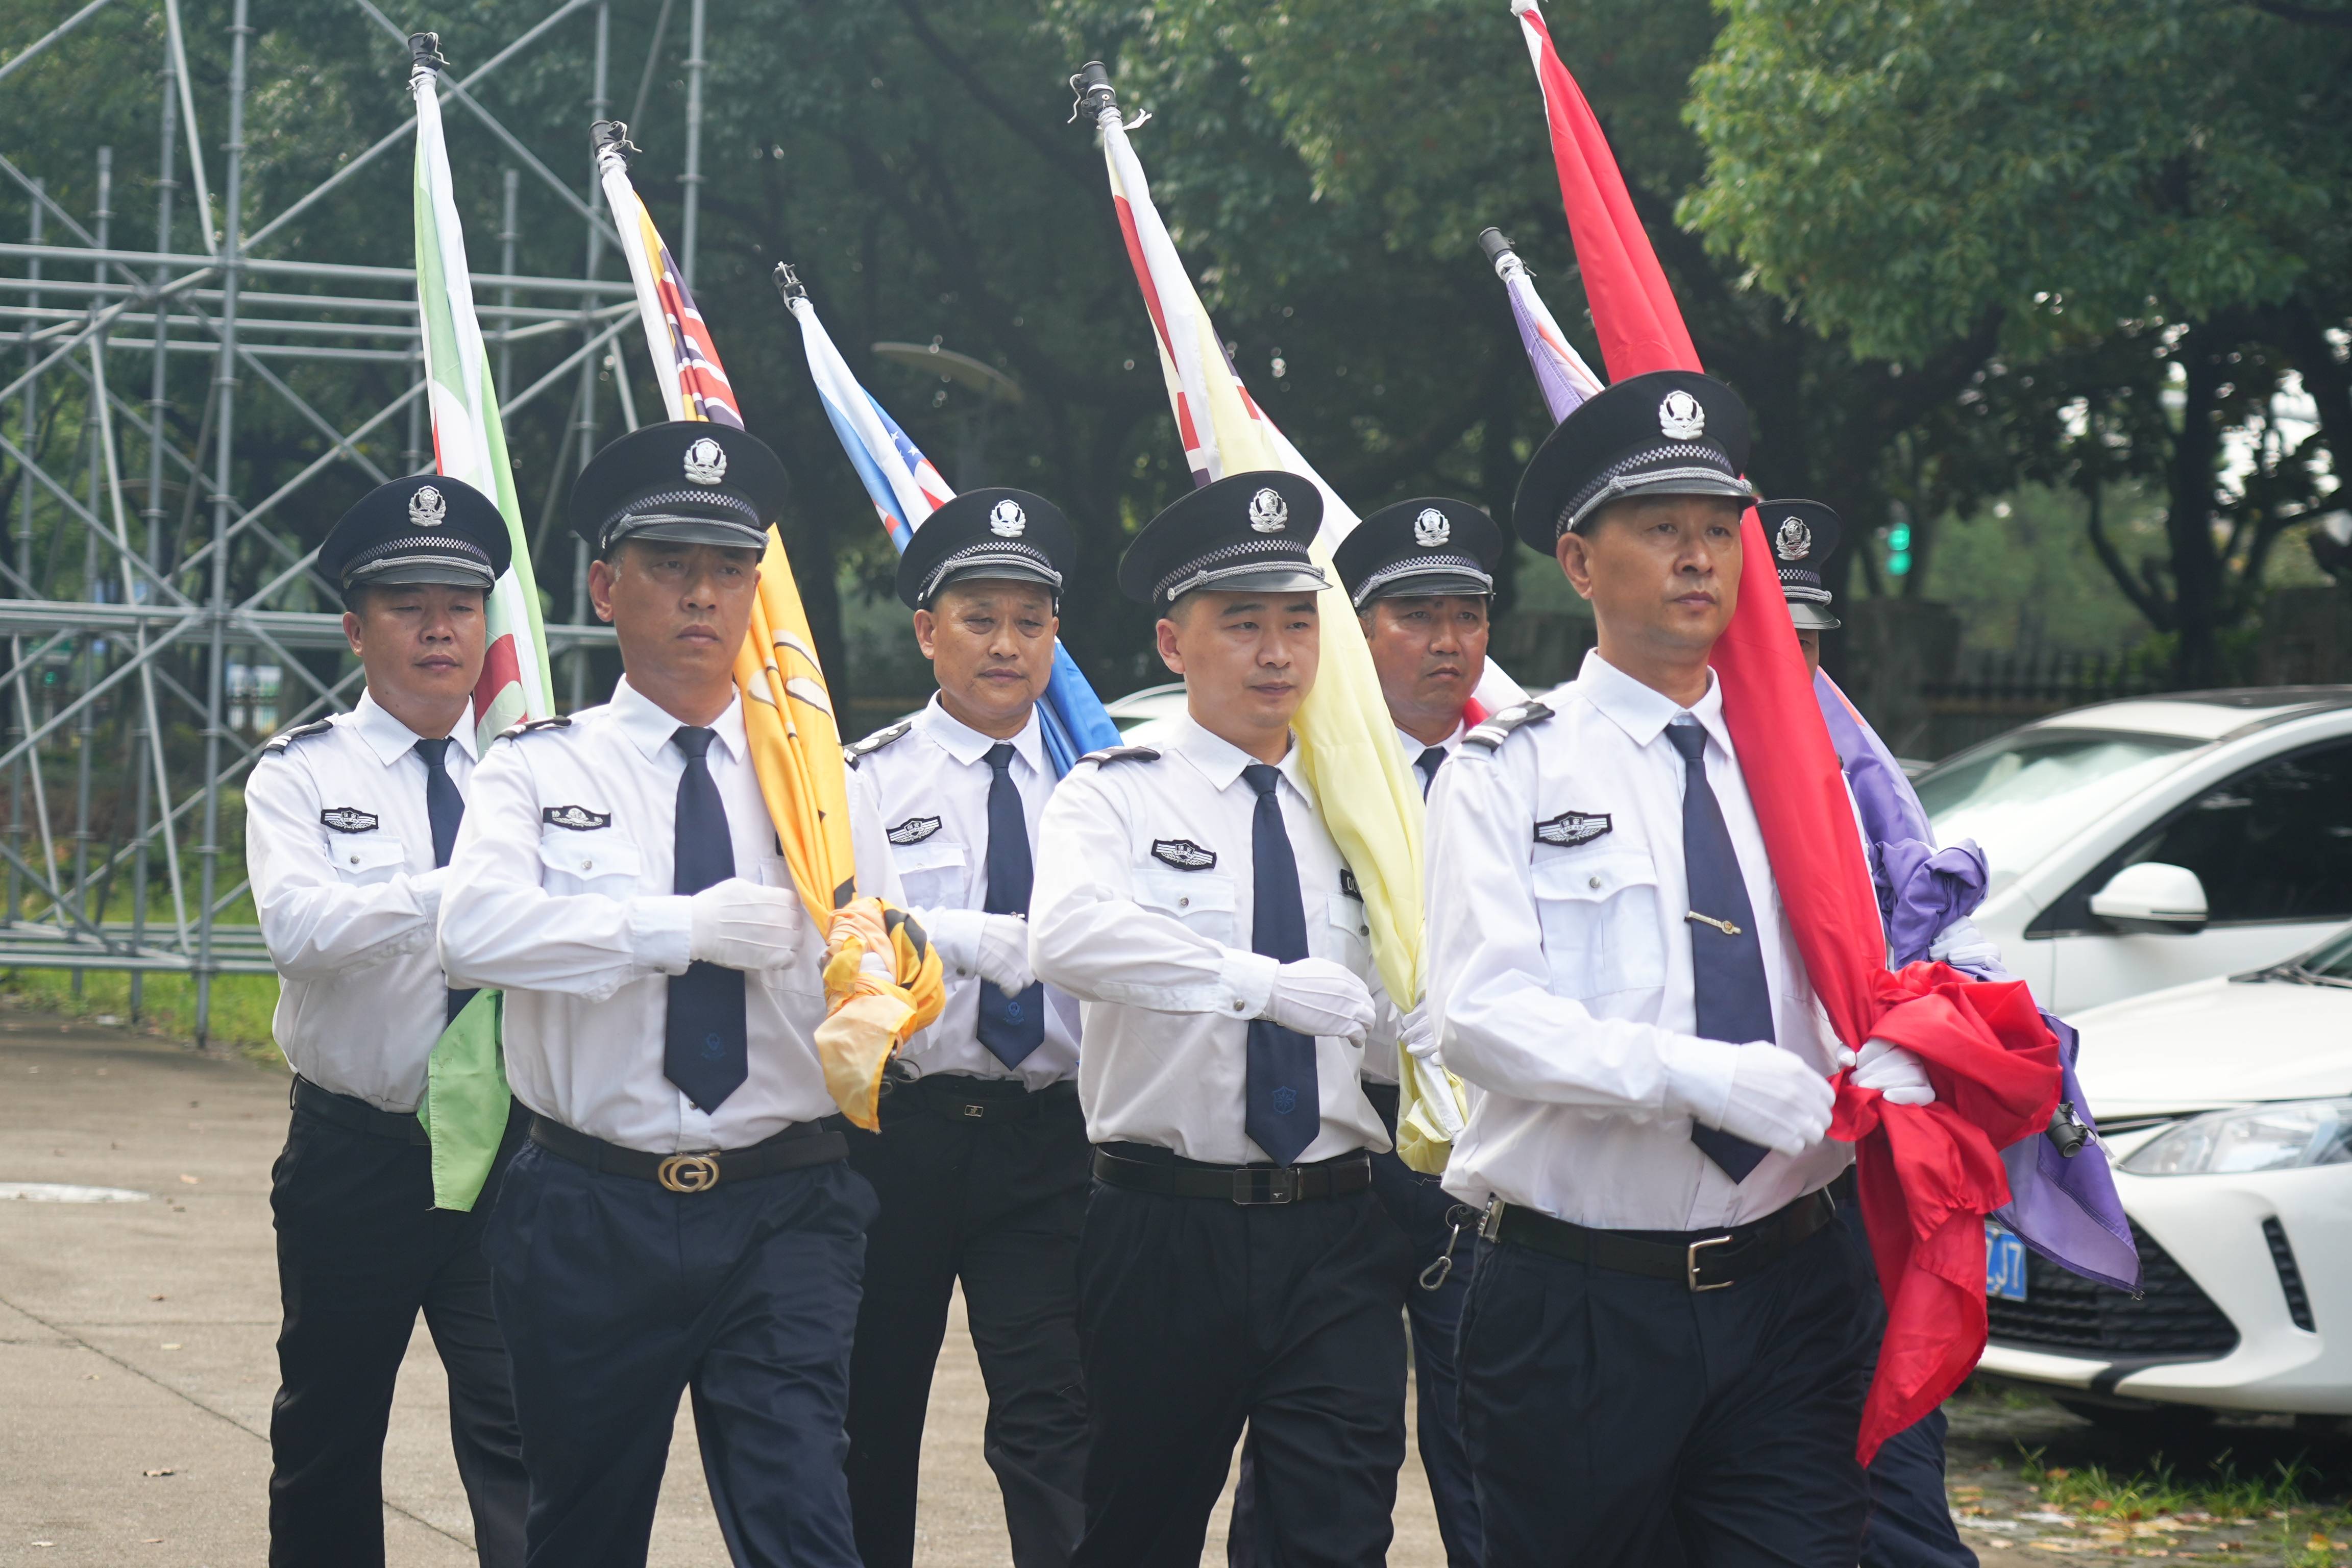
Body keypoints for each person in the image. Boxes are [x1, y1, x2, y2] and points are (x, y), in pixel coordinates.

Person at [1424, 370, 1938, 1566]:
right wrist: (1693, 1077)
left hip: (1793, 1291)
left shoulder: (1807, 774)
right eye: (1662, 531)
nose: (1700, 559)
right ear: (1578, 562)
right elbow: (1482, 1022)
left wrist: (1908, 1044)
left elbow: (1878, 960)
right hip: (1582, 1307)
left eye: (1719, 532)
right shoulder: (1509, 772)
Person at [438, 421, 898, 1568]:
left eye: (729, 570)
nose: (704, 596)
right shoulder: (541, 768)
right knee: (584, 1531)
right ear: (606, 586)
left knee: (804, 1523)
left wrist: (892, 974)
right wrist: (673, 929)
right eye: (671, 567)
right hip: (594, 1206)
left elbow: (880, 951)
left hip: (783, 1199)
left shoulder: (824, 784)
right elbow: (473, 933)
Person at [1030, 471, 1410, 1568]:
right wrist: (1259, 984)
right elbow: (1069, 937)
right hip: (1166, 1227)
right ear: (1172, 642)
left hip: (1337, 1225)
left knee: (1333, 1530)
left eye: (1298, 624)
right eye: (1242, 625)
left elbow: (1393, 1000)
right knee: (1140, 1528)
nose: (1277, 653)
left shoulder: (1362, 814)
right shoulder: (1113, 794)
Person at [246, 473, 528, 1567]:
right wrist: (456, 890)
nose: (438, 628)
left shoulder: (526, 773)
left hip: (508, 1153)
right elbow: (298, 931)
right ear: (357, 628)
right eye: (409, 606)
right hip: (360, 1153)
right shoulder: (303, 776)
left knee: (523, 1428)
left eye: (460, 605)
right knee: (330, 1425)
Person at [836, 488, 1091, 1568]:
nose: (1006, 644)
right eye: (980, 617)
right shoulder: (867, 780)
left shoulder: (1101, 784)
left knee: (1060, 1417)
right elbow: (848, 931)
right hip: (905, 1132)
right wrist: (962, 937)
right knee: (870, 1412)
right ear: (928, 630)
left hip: (1053, 1138)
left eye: (1031, 621)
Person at [1764, 496, 1981, 1568]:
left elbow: (1926, 945)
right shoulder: (1628, 780)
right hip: (1699, 1213)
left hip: (1857, 1187)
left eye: (1808, 645)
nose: (1794, 666)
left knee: (1896, 1489)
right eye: (1771, 639)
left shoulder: (1868, 792)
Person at [1328, 495, 1509, 1567]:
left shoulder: (1527, 772)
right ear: (1359, 629)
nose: (1449, 642)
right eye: (1415, 616)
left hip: (1486, 1153)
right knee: (1331, 1457)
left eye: (1468, 615)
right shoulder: (1312, 774)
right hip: (1348, 1142)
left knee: (1484, 1434)